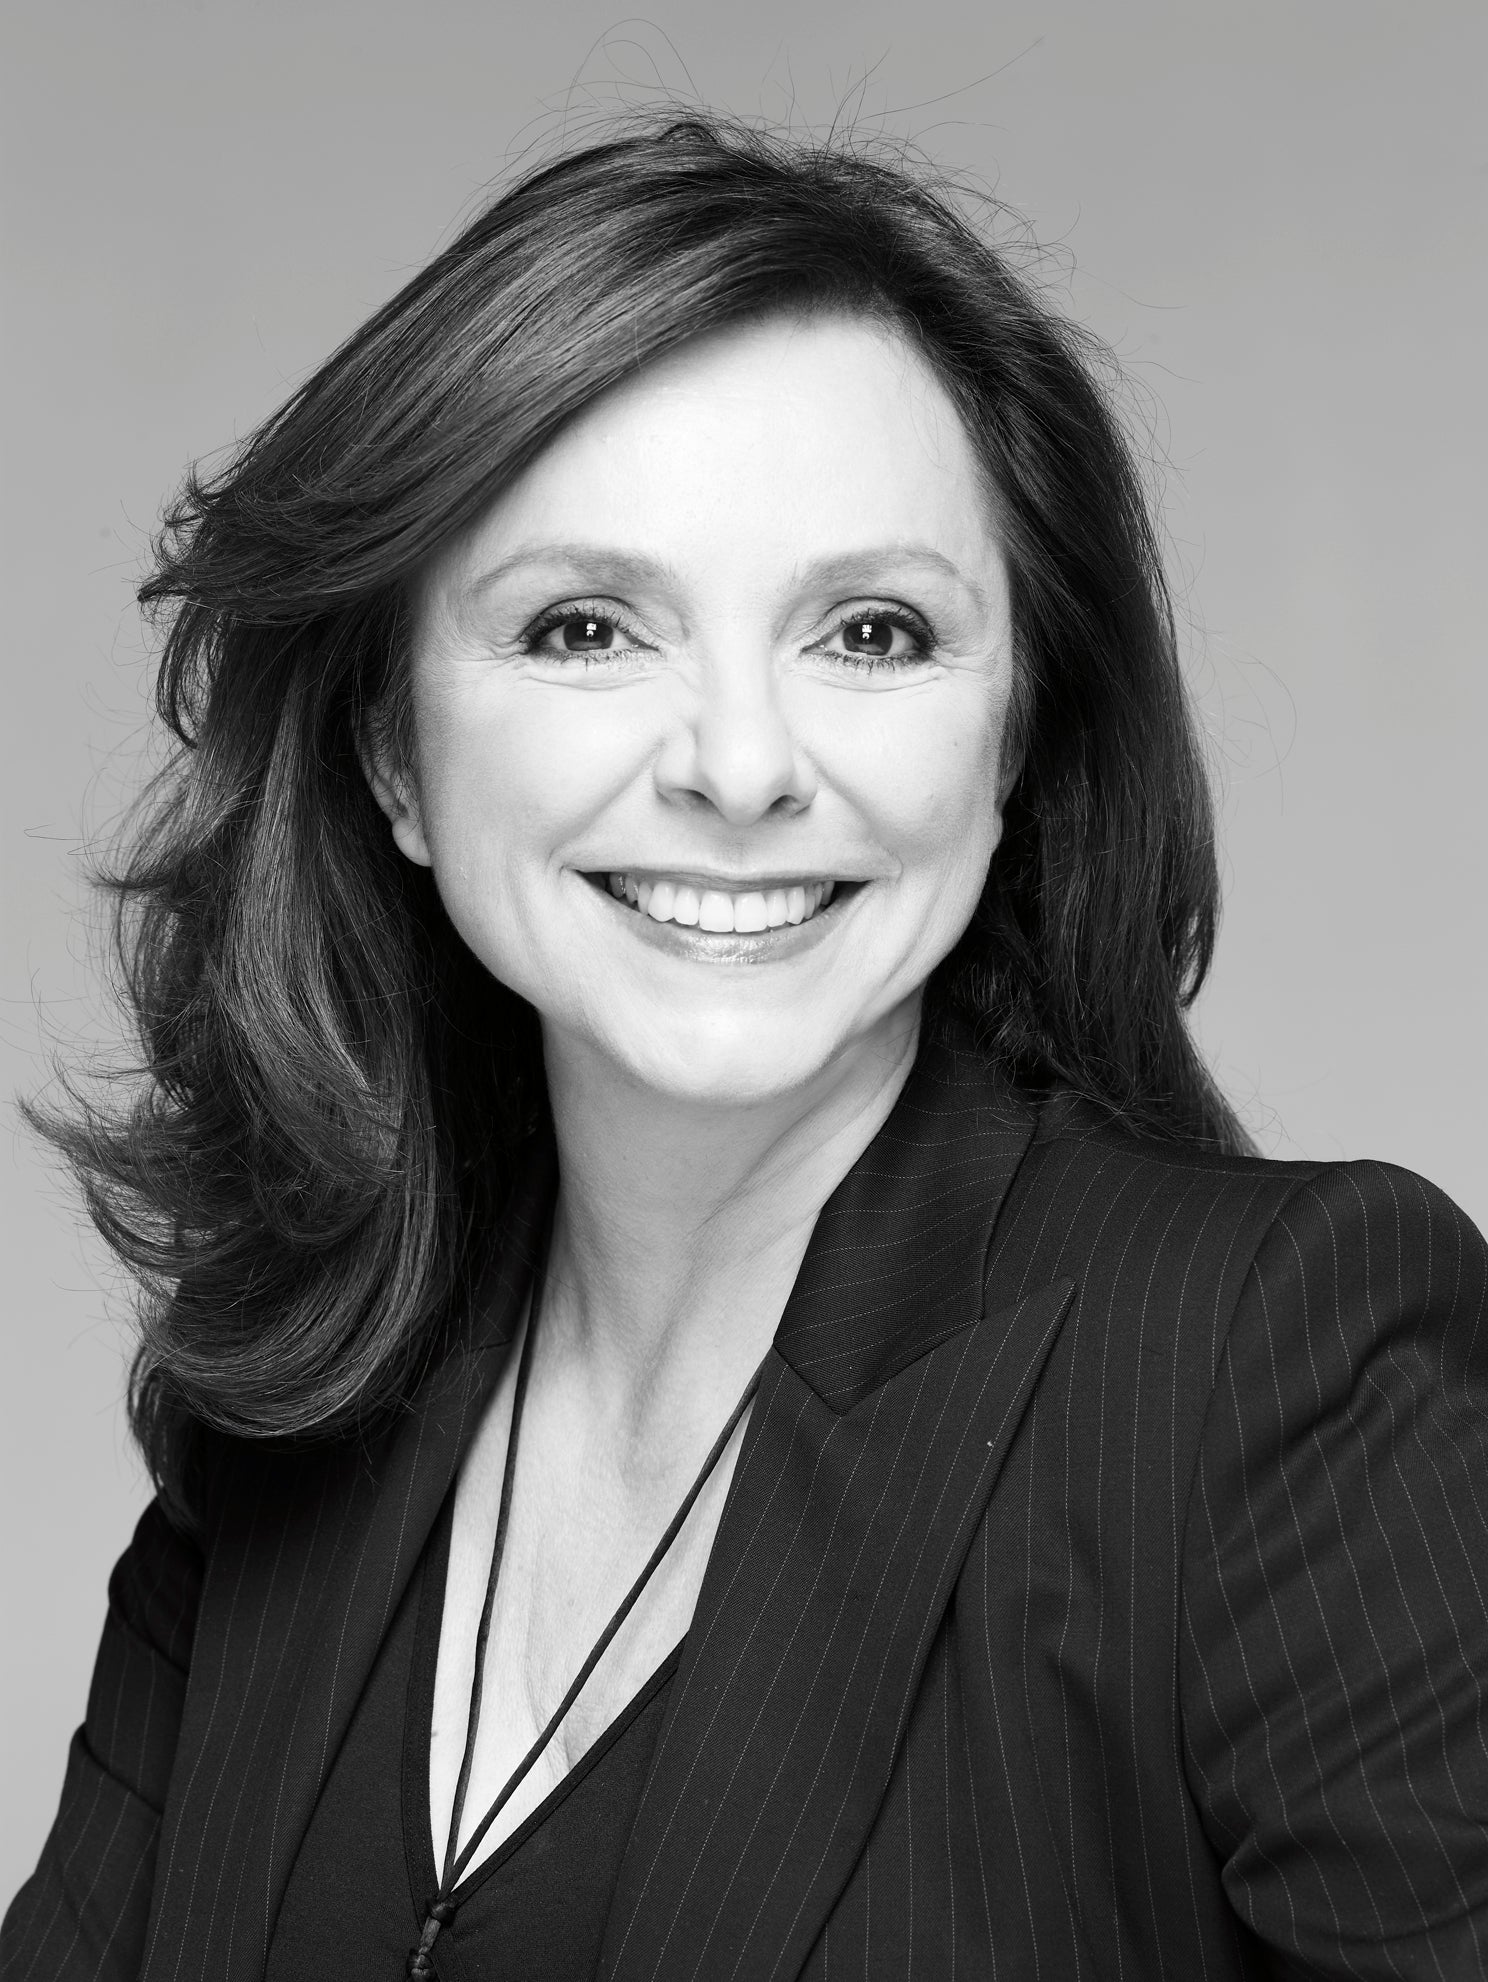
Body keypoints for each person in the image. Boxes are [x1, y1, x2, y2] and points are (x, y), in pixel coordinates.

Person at [4, 110, 1485, 1982]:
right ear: (393, 750)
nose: (739, 762)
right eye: (585, 627)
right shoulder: (289, 1415)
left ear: (1014, 739)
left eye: (870, 632)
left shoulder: (1274, 1366)